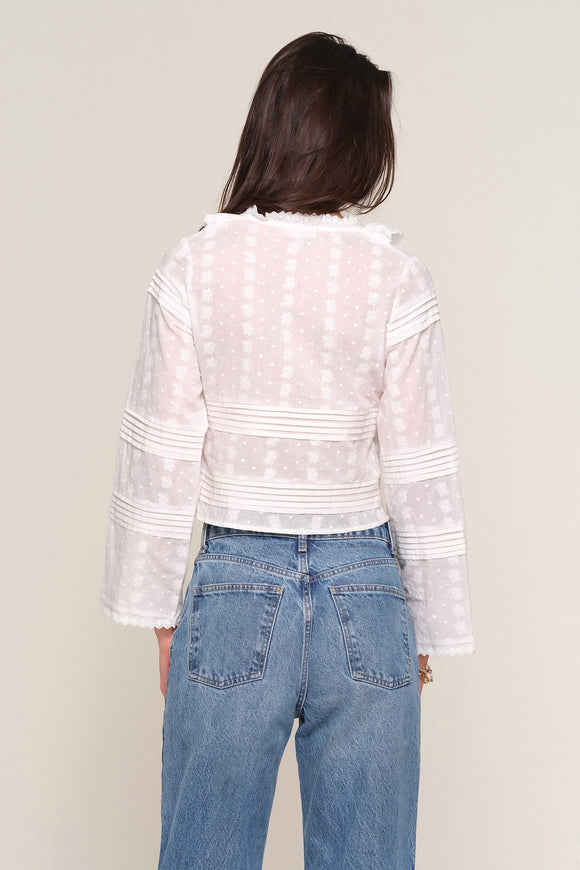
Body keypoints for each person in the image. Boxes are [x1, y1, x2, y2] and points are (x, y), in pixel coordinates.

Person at [100, 30, 476, 870]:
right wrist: (425, 620)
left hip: (235, 583)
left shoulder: (194, 266)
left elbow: (160, 452)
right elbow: (420, 464)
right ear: (361, 145)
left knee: (203, 855)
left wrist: (161, 617)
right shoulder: (395, 277)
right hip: (367, 593)